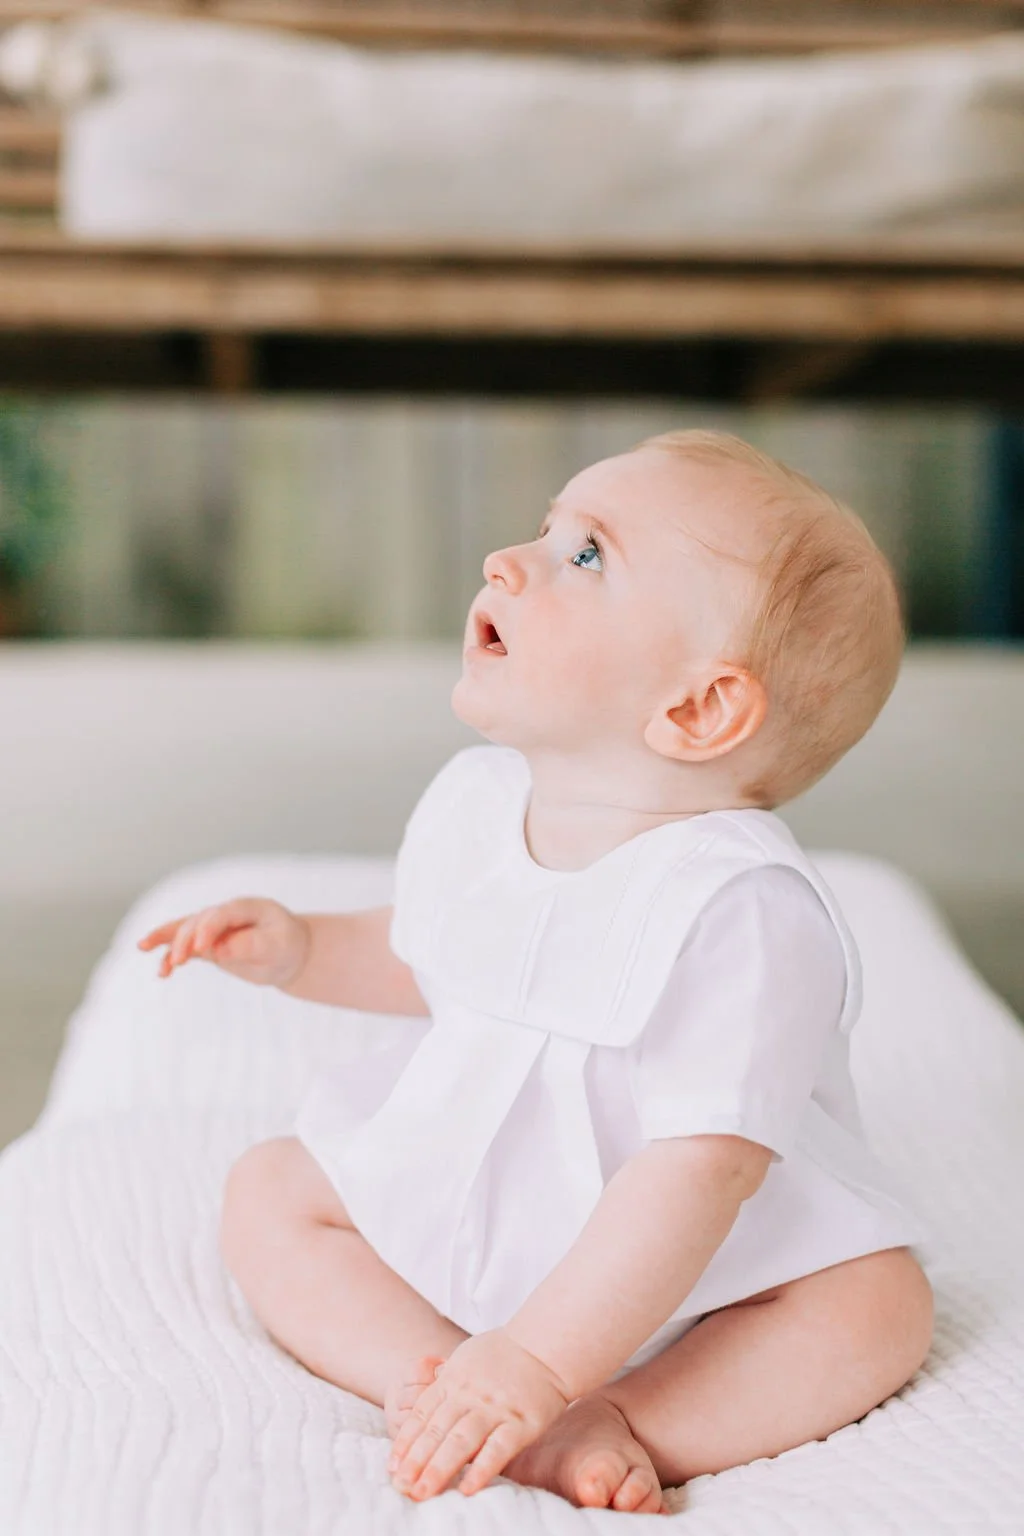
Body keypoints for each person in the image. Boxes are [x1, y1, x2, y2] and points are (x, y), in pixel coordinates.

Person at [137, 428, 935, 1516]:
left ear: (697, 709)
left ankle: (619, 1412)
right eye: (547, 529)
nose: (507, 561)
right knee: (269, 1191)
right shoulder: (477, 801)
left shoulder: (742, 910)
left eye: (587, 555)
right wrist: (303, 949)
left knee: (875, 1306)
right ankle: (432, 1382)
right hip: (481, 1195)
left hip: (683, 1265)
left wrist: (546, 1361)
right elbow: (442, 960)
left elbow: (701, 1169)